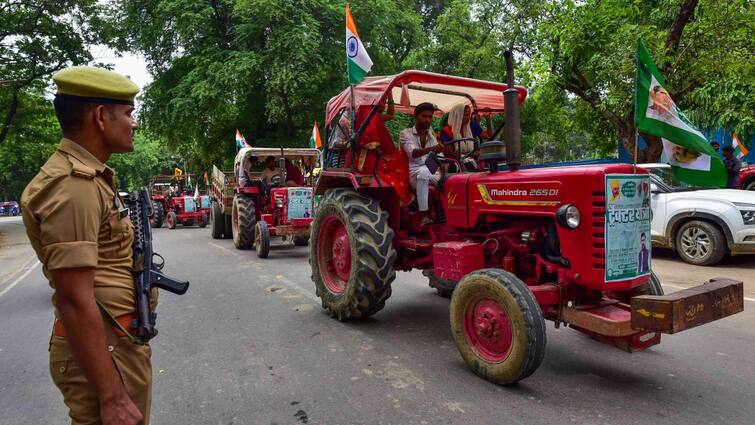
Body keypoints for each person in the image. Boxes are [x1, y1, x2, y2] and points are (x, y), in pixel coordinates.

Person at [21, 67, 148, 424]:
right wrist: (113, 397)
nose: (134, 123)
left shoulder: (91, 178)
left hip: (114, 344)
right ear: (101, 117)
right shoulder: (72, 185)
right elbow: (74, 298)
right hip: (104, 354)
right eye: (128, 113)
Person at [400, 102, 452, 224]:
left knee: (453, 178)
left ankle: (446, 211)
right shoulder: (405, 133)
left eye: (430, 117)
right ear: (416, 116)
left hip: (430, 171)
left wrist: (442, 162)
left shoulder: (431, 136)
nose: (427, 120)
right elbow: (413, 153)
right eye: (424, 116)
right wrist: (432, 149)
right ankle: (424, 214)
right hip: (412, 172)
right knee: (423, 173)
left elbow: (439, 157)